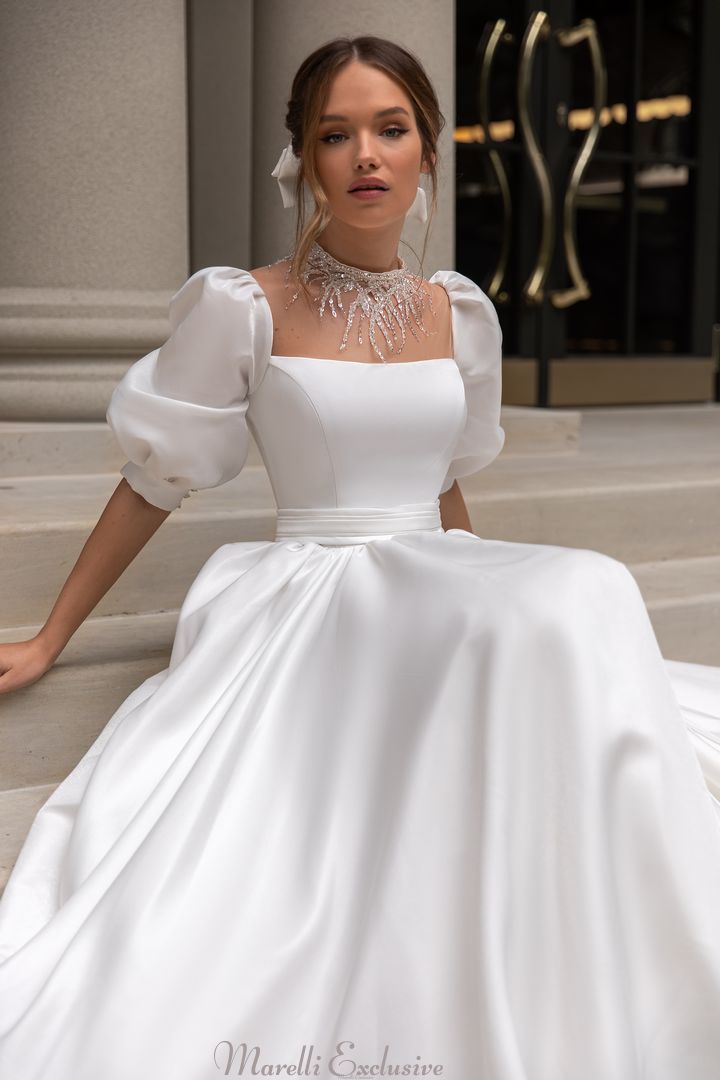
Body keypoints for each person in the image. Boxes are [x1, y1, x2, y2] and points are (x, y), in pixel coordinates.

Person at [1, 33, 720, 1080]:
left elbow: (446, 481)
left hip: (432, 570)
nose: (366, 155)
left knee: (577, 598)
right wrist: (53, 632)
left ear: (430, 150)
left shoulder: (458, 313)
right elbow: (159, 477)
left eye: (391, 129)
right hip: (317, 585)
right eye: (336, 134)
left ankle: (625, 941)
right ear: (303, 159)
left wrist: (480, 577)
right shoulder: (242, 305)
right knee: (582, 595)